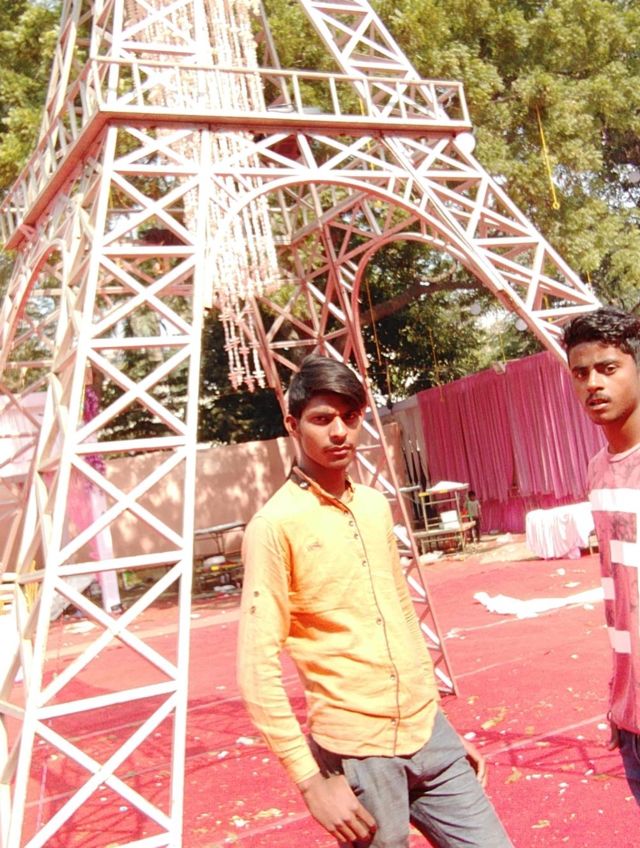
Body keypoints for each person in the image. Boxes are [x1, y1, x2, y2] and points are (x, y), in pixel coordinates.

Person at [237, 354, 514, 847]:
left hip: (428, 733)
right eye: (322, 419)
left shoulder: (372, 506)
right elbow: (256, 668)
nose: (339, 432)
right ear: (293, 425)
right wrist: (311, 782)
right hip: (357, 751)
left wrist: (441, 725)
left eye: (350, 417)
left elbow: (401, 614)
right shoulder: (274, 526)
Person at [563, 306, 640, 805]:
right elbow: (621, 598)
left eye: (608, 368)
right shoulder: (597, 470)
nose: (593, 383)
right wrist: (621, 699)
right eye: (581, 373)